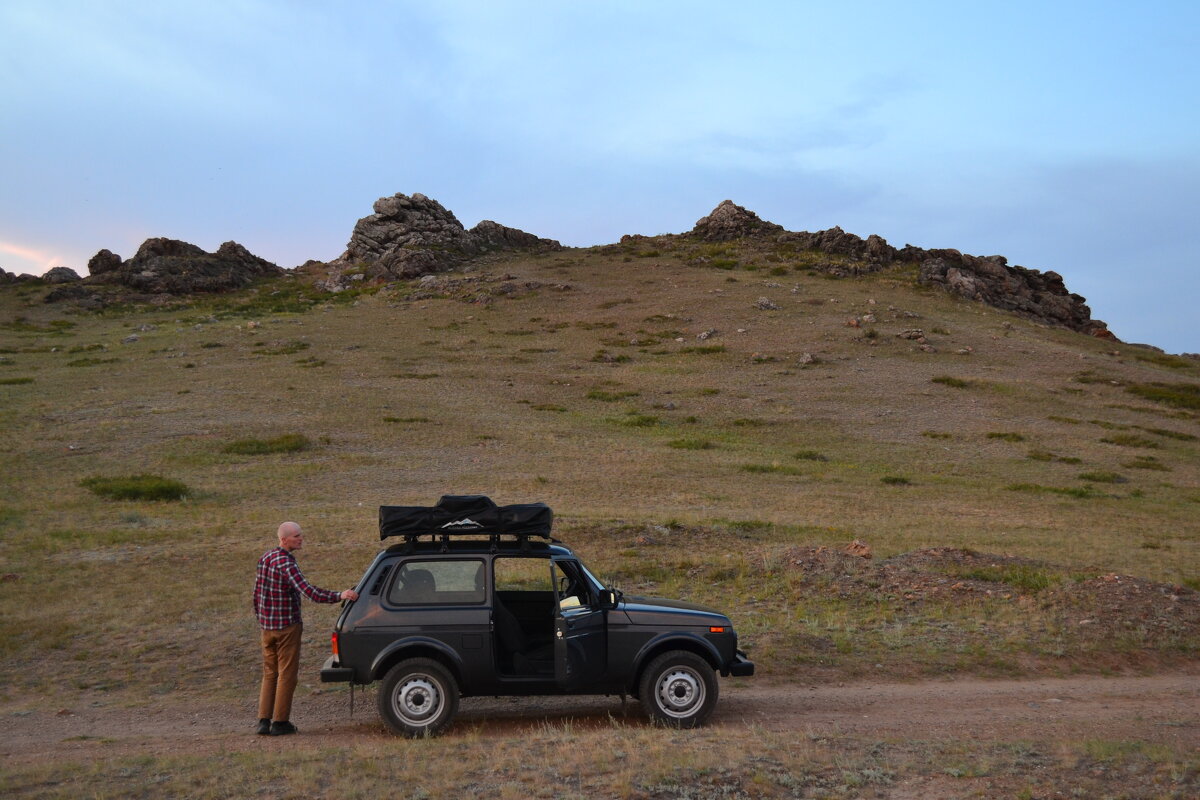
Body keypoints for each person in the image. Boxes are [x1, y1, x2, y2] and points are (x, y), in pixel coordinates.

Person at [252, 521, 358, 735]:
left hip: (266, 627)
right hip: (286, 627)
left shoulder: (266, 558)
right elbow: (309, 592)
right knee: (286, 674)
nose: (301, 539)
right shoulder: (287, 564)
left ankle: (263, 721)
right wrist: (340, 595)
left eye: (300, 535)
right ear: (284, 539)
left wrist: (262, 620)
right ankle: (280, 722)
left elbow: (256, 594)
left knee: (269, 673)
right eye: (296, 536)